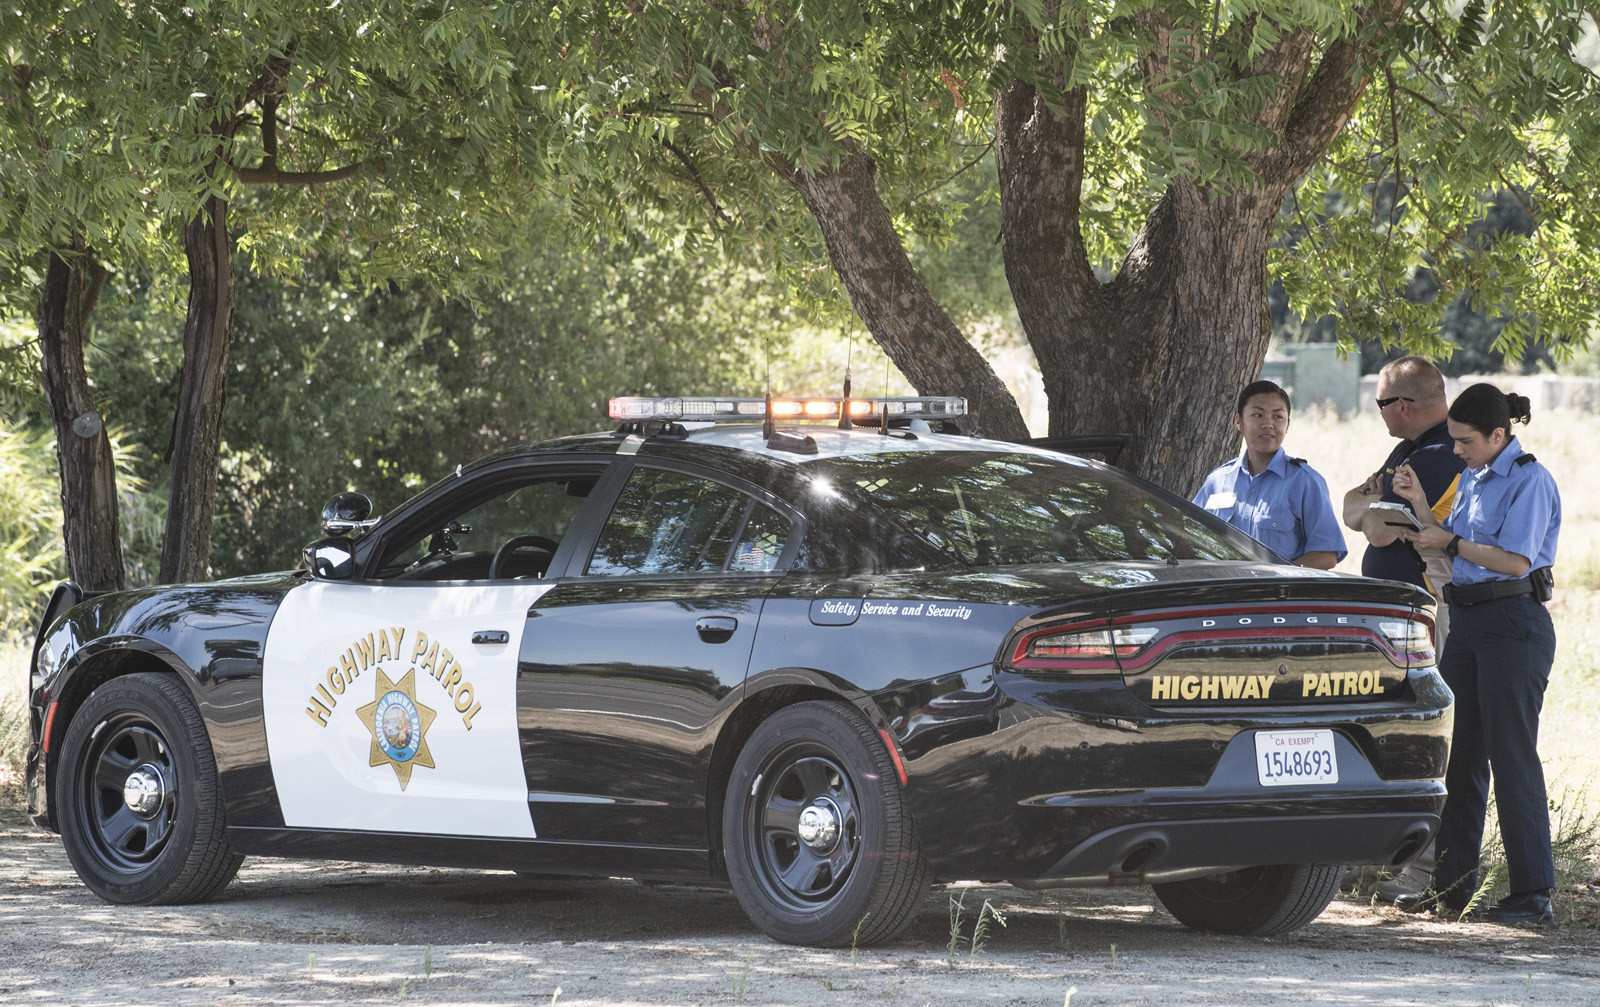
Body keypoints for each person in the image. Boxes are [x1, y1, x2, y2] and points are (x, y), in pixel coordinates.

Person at [1390, 383, 1561, 926]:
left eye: (1465, 441)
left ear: (1498, 435)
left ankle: (1533, 896)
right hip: (1467, 623)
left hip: (1513, 624)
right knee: (1459, 760)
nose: (1456, 450)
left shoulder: (1530, 480)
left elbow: (1514, 562)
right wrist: (1421, 511)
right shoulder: (1473, 477)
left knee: (1512, 760)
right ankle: (1452, 888)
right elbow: (1450, 538)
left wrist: (1452, 545)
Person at [1339, 357, 1466, 901]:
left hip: (1427, 614)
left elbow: (1380, 529)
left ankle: (1423, 869)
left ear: (1403, 406)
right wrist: (1374, 509)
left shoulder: (1439, 456)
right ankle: (1383, 857)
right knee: (1384, 732)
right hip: (1394, 618)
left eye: (1381, 405)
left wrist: (1374, 511)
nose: (1380, 415)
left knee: (1421, 738)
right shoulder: (1406, 453)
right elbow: (1353, 511)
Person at [1193, 380, 1346, 569]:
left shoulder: (1305, 482)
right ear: (1238, 421)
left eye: (1278, 417)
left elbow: (1326, 555)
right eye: (1258, 415)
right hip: (1223, 594)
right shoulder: (1217, 481)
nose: (1268, 424)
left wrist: (1274, 578)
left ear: (1287, 424)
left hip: (1278, 596)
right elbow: (1192, 539)